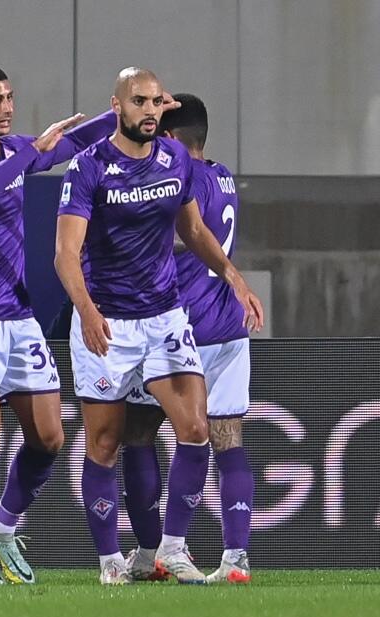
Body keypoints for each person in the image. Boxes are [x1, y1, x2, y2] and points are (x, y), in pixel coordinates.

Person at [54, 67, 263, 585]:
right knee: (103, 444)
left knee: (195, 432)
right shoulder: (88, 167)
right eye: (139, 101)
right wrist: (86, 311)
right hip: (109, 323)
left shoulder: (174, 160)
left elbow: (193, 229)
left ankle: (169, 549)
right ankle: (110, 562)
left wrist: (233, 276)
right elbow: (65, 254)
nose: (149, 110)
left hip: (166, 318)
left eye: (155, 102)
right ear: (118, 105)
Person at [0, 64, 123, 585]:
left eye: (10, 97)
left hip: (16, 315)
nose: (6, 107)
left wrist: (123, 110)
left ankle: (5, 526)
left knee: (50, 437)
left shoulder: (16, 152)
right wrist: (30, 153)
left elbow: (70, 142)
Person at [118, 93, 254, 584]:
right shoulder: (223, 176)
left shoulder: (174, 178)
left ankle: (154, 549)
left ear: (171, 139)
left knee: (137, 433)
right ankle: (235, 557)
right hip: (228, 329)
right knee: (228, 440)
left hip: (177, 330)